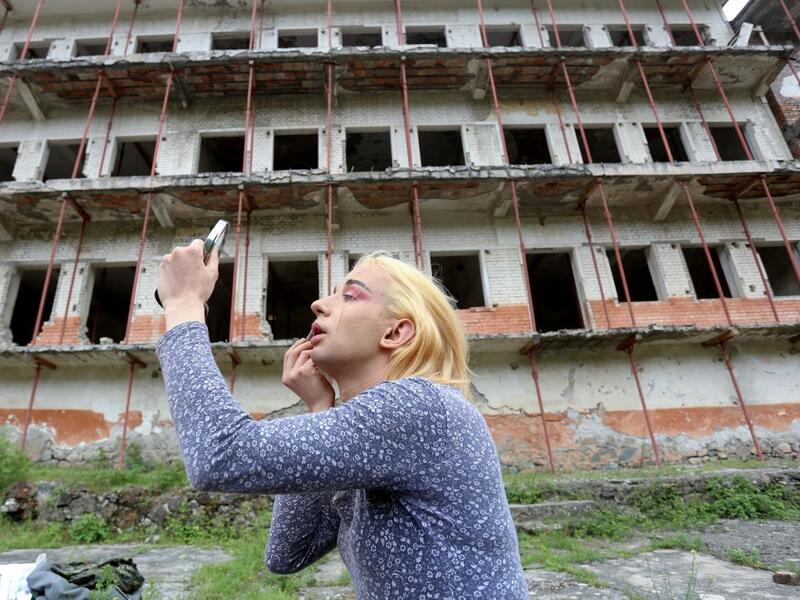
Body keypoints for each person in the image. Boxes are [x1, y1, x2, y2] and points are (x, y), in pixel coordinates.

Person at [155, 240, 528, 599]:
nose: (318, 304)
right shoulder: (376, 431)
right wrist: (320, 408)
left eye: (350, 295)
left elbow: (220, 455)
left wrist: (184, 306)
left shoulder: (417, 407)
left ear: (396, 332)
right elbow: (287, 554)